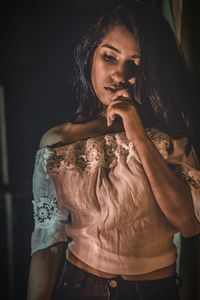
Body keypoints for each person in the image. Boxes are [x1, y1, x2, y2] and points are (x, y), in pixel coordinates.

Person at [27, 1, 200, 299]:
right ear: (90, 57)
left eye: (135, 63)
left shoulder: (171, 138)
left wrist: (137, 133)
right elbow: (47, 246)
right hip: (79, 287)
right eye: (110, 57)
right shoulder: (58, 143)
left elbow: (188, 223)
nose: (120, 74)